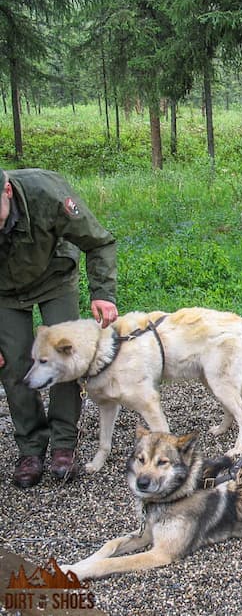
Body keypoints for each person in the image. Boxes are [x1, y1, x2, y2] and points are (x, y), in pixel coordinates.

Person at [0, 168, 118, 488]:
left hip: (54, 277)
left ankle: (64, 443)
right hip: (3, 293)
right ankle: (30, 448)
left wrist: (102, 295)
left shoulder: (47, 194)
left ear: (7, 191)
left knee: (65, 357)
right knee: (13, 365)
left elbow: (99, 242)